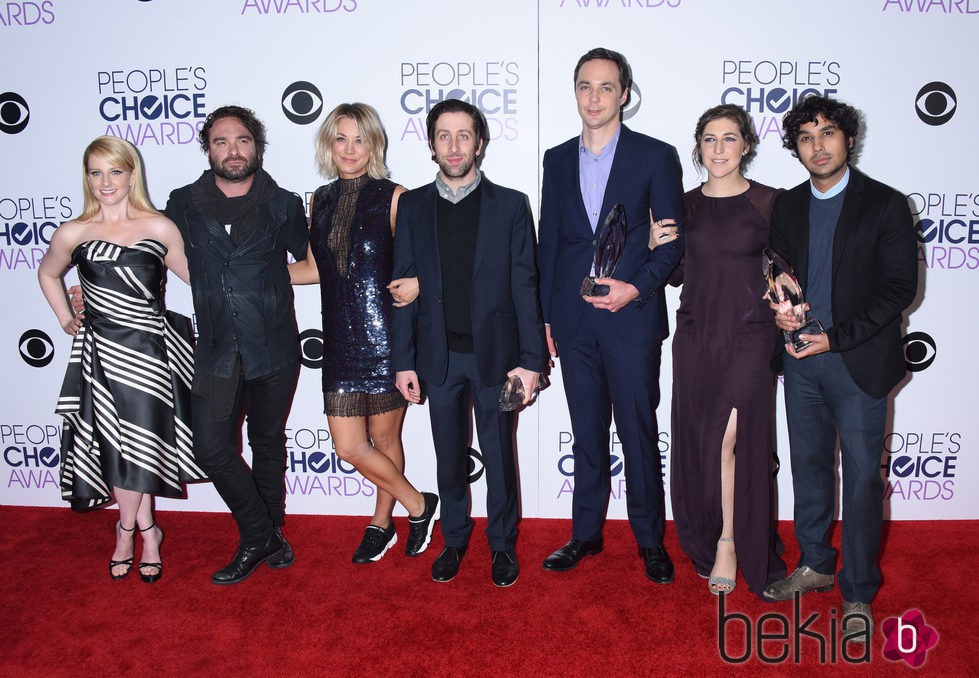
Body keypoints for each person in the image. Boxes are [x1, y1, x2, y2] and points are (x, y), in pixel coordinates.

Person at [761, 96, 917, 641]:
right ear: (795, 148)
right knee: (807, 467)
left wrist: (836, 337)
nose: (818, 145)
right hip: (802, 362)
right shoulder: (787, 205)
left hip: (857, 364)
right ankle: (814, 564)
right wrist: (780, 311)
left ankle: (857, 590)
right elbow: (776, 268)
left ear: (848, 139)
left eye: (828, 133)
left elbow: (899, 289)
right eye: (806, 137)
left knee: (861, 482)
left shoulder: (886, 205)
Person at [537, 48, 683, 583]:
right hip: (573, 323)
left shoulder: (654, 156)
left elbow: (671, 243)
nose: (594, 97)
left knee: (638, 431)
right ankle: (585, 534)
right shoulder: (556, 158)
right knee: (586, 432)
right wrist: (545, 319)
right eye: (584, 86)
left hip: (632, 319)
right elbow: (548, 241)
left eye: (605, 86)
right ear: (574, 92)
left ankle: (650, 541)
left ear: (624, 93)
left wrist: (635, 288)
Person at [391, 99, 547, 587]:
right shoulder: (413, 205)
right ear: (432, 144)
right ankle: (454, 539)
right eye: (443, 135)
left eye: (464, 135)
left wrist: (530, 362)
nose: (454, 146)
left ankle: (502, 545)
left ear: (480, 142)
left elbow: (526, 285)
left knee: (500, 457)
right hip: (439, 359)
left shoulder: (510, 205)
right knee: (447, 457)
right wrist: (404, 362)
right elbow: (403, 287)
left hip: (496, 359)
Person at [38, 135, 206, 583]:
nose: (105, 182)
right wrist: (65, 317)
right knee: (115, 446)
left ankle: (129, 530)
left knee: (141, 447)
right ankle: (143, 532)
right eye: (96, 172)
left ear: (133, 173)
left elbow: (199, 281)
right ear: (86, 177)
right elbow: (48, 271)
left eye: (115, 171)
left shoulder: (160, 227)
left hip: (151, 354)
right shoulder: (74, 232)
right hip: (100, 353)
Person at [164, 105, 309, 585]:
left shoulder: (284, 203)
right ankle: (260, 532)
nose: (233, 149)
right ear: (208, 148)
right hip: (217, 349)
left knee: (268, 443)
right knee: (211, 449)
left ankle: (269, 533)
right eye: (221, 141)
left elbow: (309, 266)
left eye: (242, 140)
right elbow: (153, 253)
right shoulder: (182, 202)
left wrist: (260, 280)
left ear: (257, 147)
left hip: (274, 346)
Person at [288, 103, 439, 563]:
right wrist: (258, 273)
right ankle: (419, 504)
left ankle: (380, 522)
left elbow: (429, 264)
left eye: (359, 140)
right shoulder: (319, 198)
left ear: (373, 144)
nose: (350, 149)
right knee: (350, 447)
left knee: (387, 440)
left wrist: (416, 288)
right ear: (328, 145)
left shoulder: (396, 197)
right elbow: (315, 268)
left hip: (387, 340)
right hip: (338, 342)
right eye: (341, 139)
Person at [649, 104, 787, 597]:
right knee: (704, 442)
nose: (720, 149)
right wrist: (654, 247)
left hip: (751, 334)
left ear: (746, 145)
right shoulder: (682, 205)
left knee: (732, 437)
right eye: (710, 139)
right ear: (699, 147)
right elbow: (674, 274)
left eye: (730, 139)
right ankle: (708, 531)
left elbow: (786, 271)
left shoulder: (771, 202)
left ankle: (730, 541)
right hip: (696, 336)